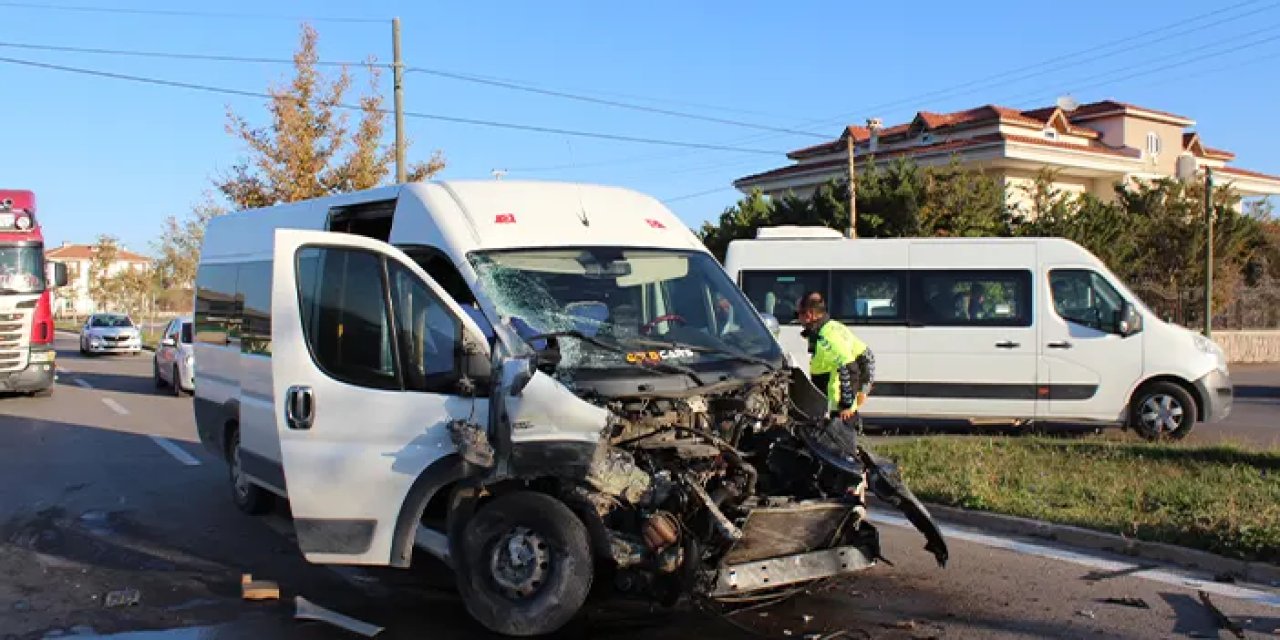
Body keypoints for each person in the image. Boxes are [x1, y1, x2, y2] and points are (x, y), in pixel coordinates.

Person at [797, 292, 875, 424]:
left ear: (809, 314)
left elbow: (849, 368)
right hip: (832, 405)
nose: (797, 318)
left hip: (840, 411)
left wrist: (846, 405)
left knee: (837, 442)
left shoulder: (827, 337)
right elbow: (866, 354)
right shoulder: (830, 327)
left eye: (798, 313)